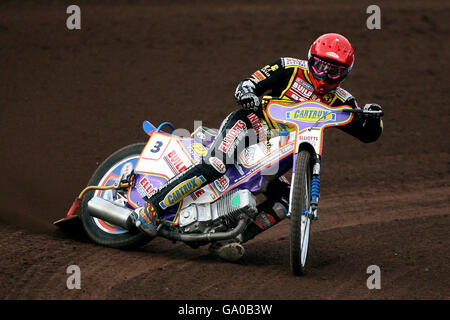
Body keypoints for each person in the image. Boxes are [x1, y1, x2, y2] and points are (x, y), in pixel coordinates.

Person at [133, 33, 384, 261]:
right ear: (310, 60)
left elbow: (367, 134)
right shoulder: (287, 67)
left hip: (275, 153)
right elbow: (248, 83)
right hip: (250, 125)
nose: (325, 76)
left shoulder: (344, 101)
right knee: (217, 164)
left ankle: (231, 240)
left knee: (288, 198)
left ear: (346, 73)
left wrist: (372, 120)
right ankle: (152, 208)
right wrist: (247, 93)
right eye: (321, 66)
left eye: (334, 71)